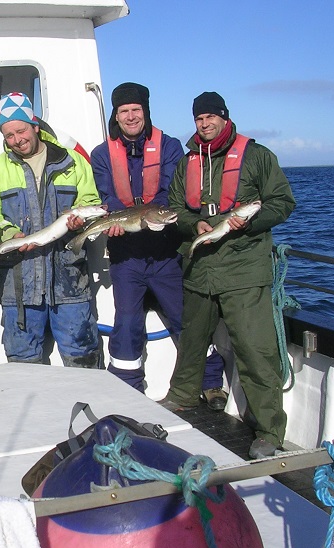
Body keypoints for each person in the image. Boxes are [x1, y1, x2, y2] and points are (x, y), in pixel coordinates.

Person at [161, 91, 296, 459]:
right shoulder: (188, 161)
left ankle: (269, 431)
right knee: (191, 342)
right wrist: (194, 223)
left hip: (244, 270)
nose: (204, 124)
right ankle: (182, 396)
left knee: (256, 350)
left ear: (224, 117)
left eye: (210, 117)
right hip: (200, 269)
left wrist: (248, 224)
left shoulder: (257, 156)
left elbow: (283, 202)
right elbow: (176, 209)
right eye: (198, 119)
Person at [89, 82, 226, 401]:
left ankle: (210, 382)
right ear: (117, 115)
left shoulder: (170, 147)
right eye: (124, 111)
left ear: (145, 112)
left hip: (166, 253)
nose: (131, 116)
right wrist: (116, 219)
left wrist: (152, 216)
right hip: (126, 258)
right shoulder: (101, 154)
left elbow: (172, 192)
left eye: (136, 109)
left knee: (184, 317)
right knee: (126, 322)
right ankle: (127, 390)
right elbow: (105, 194)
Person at [0, 92, 103, 368]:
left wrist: (80, 221)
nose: (17, 140)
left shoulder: (72, 161)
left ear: (35, 126)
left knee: (81, 356)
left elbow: (91, 202)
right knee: (24, 363)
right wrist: (10, 235)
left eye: (21, 130)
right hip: (18, 282)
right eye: (9, 135)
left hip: (70, 279)